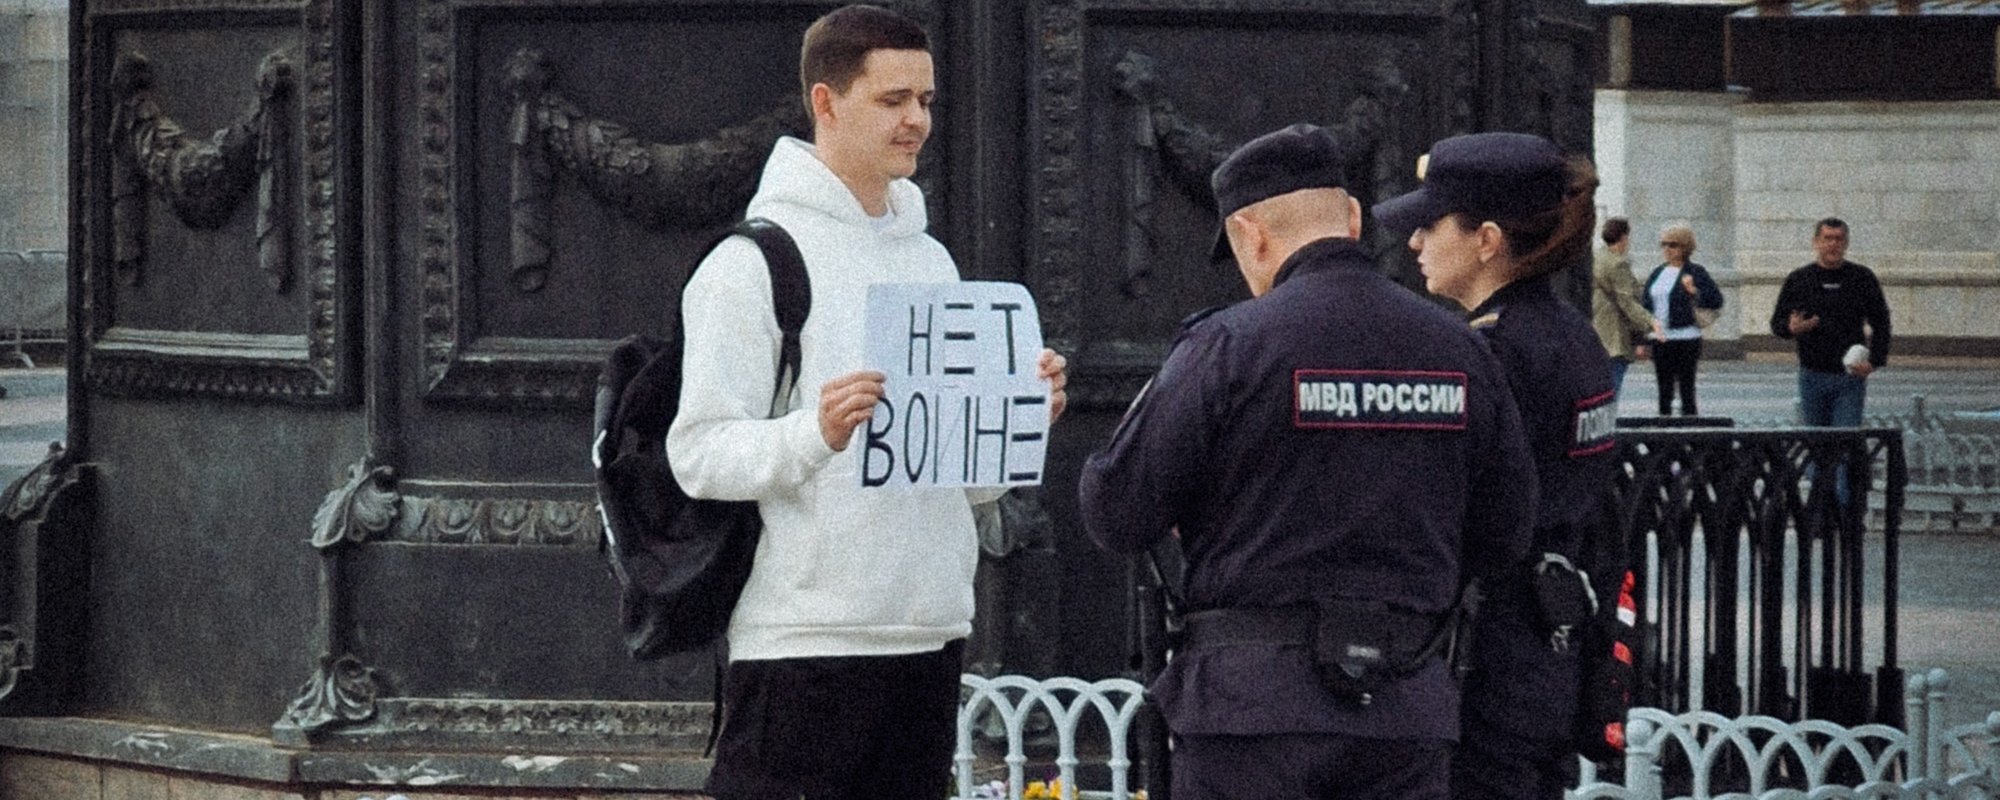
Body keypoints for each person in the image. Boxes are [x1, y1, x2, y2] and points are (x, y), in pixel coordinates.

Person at [665, 7, 1069, 798]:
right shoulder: (751, 263)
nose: (917, 119)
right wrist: (813, 432)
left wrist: (1020, 418)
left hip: (930, 634)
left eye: (926, 100)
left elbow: (969, 484)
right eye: (893, 100)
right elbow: (699, 453)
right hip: (803, 641)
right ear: (826, 102)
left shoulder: (932, 261)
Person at [1078, 122, 1537, 800]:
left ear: (1251, 235)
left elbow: (1117, 511)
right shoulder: (1459, 349)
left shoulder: (1227, 345)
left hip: (1248, 715)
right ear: (1351, 218)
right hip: (1403, 708)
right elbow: (1507, 533)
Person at [1373, 132, 1627, 800]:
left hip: (1486, 657)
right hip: (1554, 646)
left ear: (1486, 240)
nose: (1414, 242)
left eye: (1431, 225)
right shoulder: (1573, 337)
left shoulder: (1489, 353)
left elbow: (1443, 510)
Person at [1769, 217, 1891, 427]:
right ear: (1816, 242)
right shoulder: (1799, 279)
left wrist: (1875, 361)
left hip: (1849, 376)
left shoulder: (1862, 278)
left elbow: (1881, 322)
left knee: (1845, 438)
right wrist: (1791, 328)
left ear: (1846, 243)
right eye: (1827, 238)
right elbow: (1777, 324)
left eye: (1839, 239)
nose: (1833, 244)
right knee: (1816, 441)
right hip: (1811, 374)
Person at [1639, 223, 1723, 416]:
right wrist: (1642, 340)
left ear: (1685, 247)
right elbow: (1645, 307)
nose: (1667, 249)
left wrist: (1694, 291)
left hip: (1686, 338)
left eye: (1673, 245)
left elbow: (1716, 300)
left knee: (1687, 389)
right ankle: (1664, 428)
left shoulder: (1695, 272)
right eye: (1664, 244)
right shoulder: (1658, 272)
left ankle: (1690, 428)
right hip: (1660, 338)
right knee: (1664, 390)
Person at [1592, 217, 1658, 396]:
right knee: (1611, 392)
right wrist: (1651, 322)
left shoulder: (1597, 258)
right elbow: (1627, 302)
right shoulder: (1617, 263)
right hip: (1614, 336)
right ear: (1623, 237)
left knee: (1598, 393)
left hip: (1596, 333)